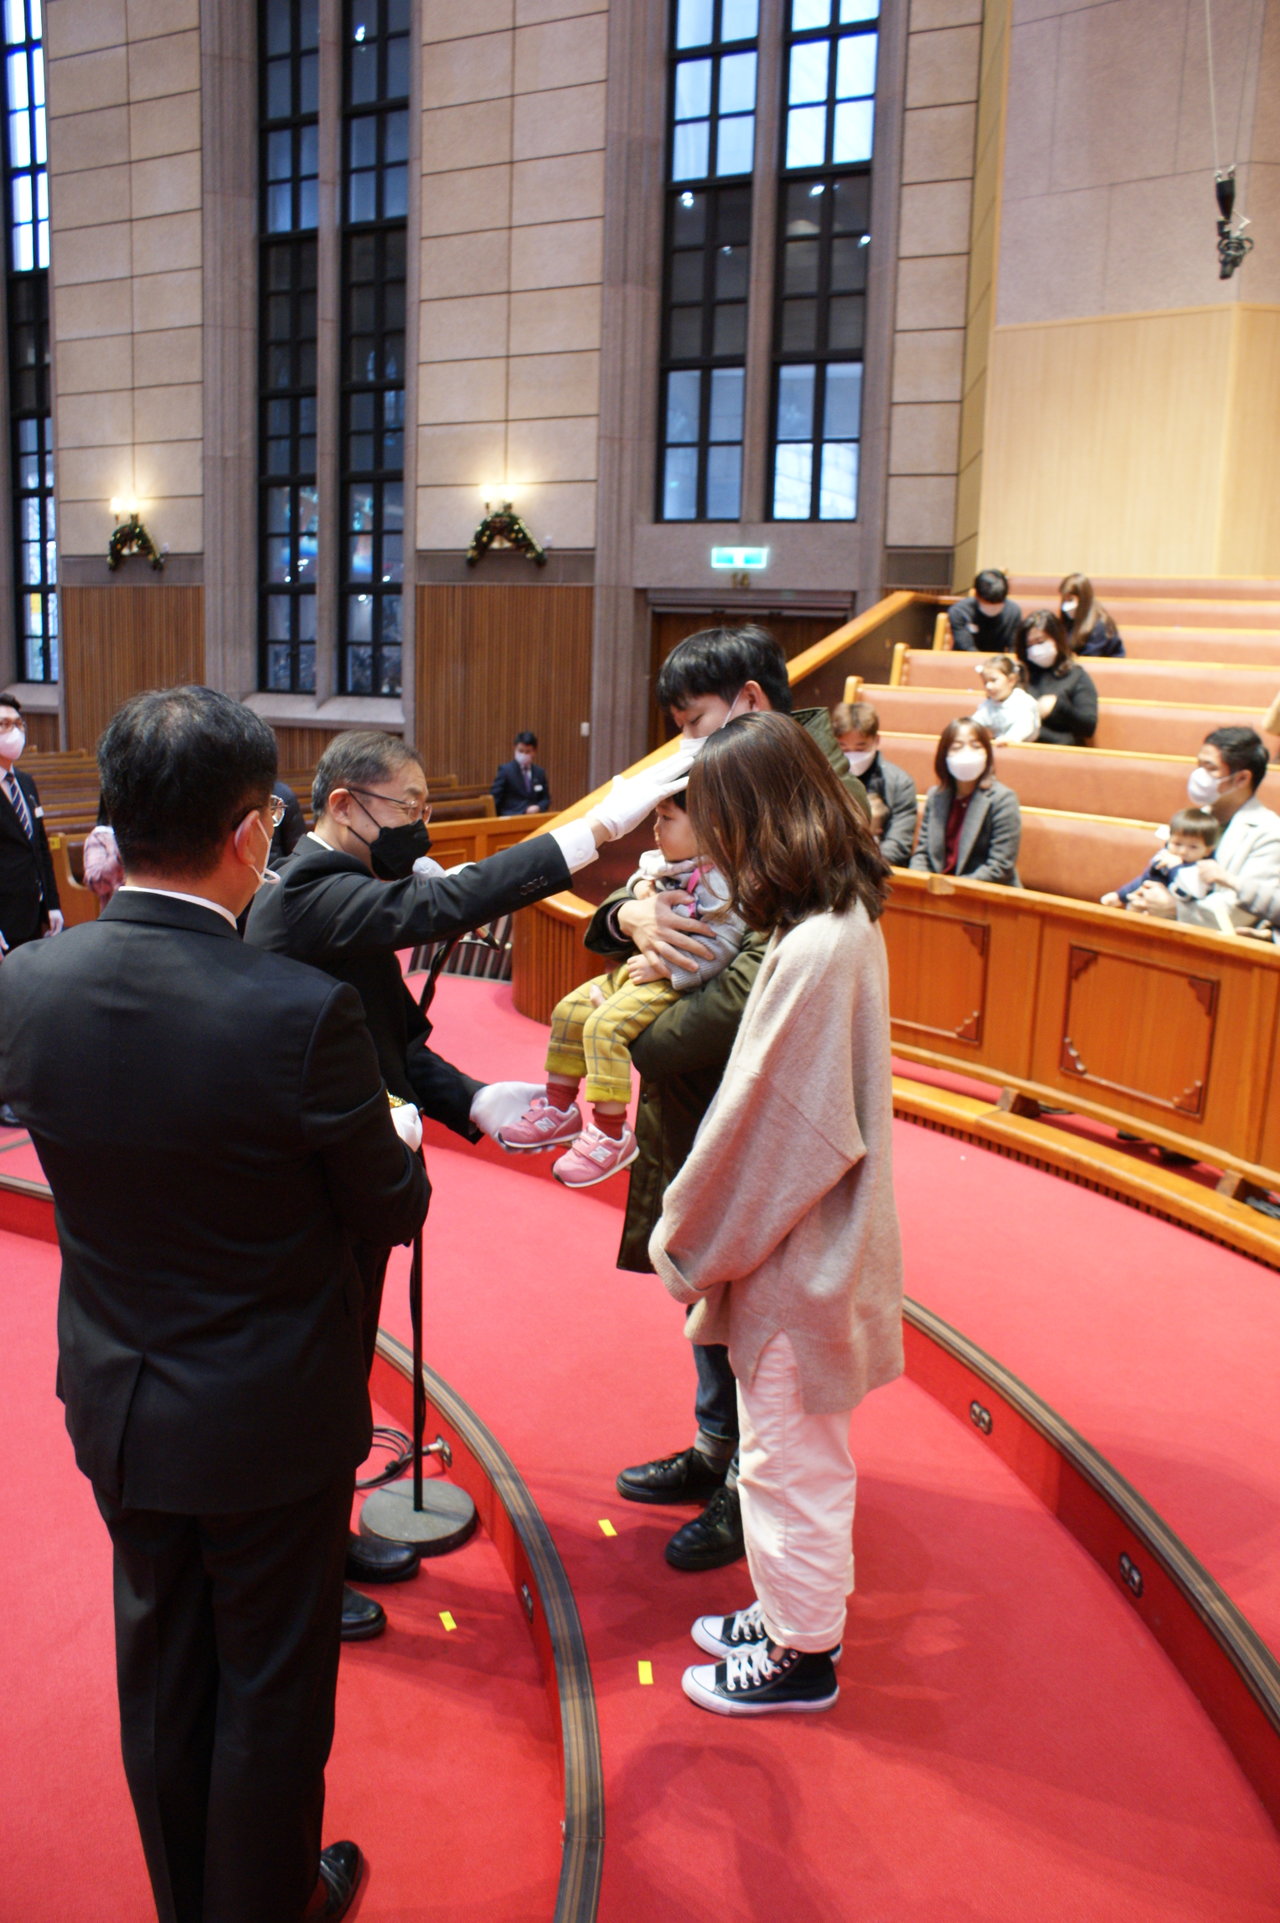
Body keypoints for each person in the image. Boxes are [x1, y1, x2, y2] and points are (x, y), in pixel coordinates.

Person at [0, 686, 431, 1923]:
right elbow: (390, 1208)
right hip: (266, 1418)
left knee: (165, 1676)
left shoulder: (28, 982)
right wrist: (401, 1136)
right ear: (250, 833)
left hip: (118, 1395)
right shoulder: (298, 1012)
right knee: (270, 1691)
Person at [246, 726, 689, 1632]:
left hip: (359, 1170)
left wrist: (478, 1101)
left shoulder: (345, 886)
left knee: (342, 1370)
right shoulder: (308, 892)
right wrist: (594, 830)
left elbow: (393, 1040)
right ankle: (298, 1580)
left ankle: (325, 1540)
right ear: (343, 804)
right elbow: (451, 903)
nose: (419, 825)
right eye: (406, 808)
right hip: (307, 1185)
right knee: (310, 1386)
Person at [644, 711, 903, 1715]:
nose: (708, 840)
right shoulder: (827, 922)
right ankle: (789, 1609)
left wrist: (685, 1240)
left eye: (715, 818)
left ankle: (803, 1655)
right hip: (805, 1243)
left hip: (802, 1252)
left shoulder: (817, 946)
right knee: (783, 1454)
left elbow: (779, 1130)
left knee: (790, 1464)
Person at [593, 624, 866, 1574]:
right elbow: (657, 888)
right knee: (714, 1290)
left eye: (694, 721)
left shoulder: (811, 793)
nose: (684, 747)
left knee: (754, 1309)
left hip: (755, 1093)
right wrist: (631, 912)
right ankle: (717, 1450)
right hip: (703, 1087)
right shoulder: (732, 772)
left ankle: (748, 1482)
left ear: (749, 701)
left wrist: (633, 1040)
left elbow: (757, 973)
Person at [498, 792, 745, 1187]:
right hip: (636, 969)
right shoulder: (669, 860)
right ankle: (560, 1108)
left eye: (667, 819)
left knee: (604, 1027)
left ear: (710, 828)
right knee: (569, 1010)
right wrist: (642, 893)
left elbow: (721, 948)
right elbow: (640, 878)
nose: (656, 828)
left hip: (668, 978)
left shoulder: (721, 883)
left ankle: (611, 1134)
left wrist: (663, 965)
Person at [1131, 727, 1280, 931]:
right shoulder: (1196, 818)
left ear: (1242, 778)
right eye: (1199, 765)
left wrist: (1176, 909)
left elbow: (1240, 914)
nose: (1199, 775)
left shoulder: (1269, 832)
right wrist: (1145, 896)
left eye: (1210, 768)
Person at [0, 691, 62, 1126]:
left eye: (18, 725)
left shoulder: (24, 782)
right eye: (4, 725)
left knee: (24, 1006)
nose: (14, 732)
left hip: (31, 913)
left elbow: (40, 847)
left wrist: (53, 904)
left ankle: (25, 1087)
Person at [909, 718, 1021, 884]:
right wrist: (921, 882)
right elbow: (923, 853)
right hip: (936, 887)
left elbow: (1000, 866)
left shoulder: (1003, 799)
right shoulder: (935, 796)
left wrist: (953, 888)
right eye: (956, 747)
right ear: (944, 755)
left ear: (987, 754)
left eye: (976, 746)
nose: (966, 753)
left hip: (982, 891)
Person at [831, 699, 918, 863]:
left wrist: (868, 866)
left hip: (879, 867)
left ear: (876, 740)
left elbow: (898, 843)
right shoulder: (824, 777)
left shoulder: (900, 782)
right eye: (844, 748)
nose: (852, 755)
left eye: (860, 748)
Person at [1101, 807, 1220, 910]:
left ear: (1207, 851)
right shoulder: (1165, 858)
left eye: (1193, 847)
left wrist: (1176, 867)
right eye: (1177, 844)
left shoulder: (1204, 869)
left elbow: (1189, 893)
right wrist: (1120, 896)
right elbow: (1146, 879)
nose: (1183, 851)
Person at [1016, 609, 1098, 746]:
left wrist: (1059, 706)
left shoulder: (1076, 675)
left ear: (1057, 639)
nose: (1035, 650)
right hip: (1022, 747)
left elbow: (1088, 727)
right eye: (1029, 645)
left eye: (1040, 641)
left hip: (1062, 750)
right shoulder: (1019, 674)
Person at [946, 567, 1022, 652]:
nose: (993, 608)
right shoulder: (959, 611)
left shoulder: (1013, 611)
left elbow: (1013, 647)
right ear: (976, 595)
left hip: (998, 659)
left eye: (997, 604)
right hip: (966, 658)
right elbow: (966, 648)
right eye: (987, 603)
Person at [972, 653, 1041, 744]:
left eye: (993, 680)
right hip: (999, 745)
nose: (988, 686)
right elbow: (975, 722)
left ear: (1011, 680)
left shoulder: (1023, 701)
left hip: (1025, 747)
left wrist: (1009, 738)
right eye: (985, 682)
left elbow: (1025, 726)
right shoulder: (989, 704)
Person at [1059, 572, 1125, 657]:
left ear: (1083, 599)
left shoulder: (1101, 625)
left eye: (1070, 600)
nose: (1066, 605)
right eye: (1064, 600)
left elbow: (1091, 657)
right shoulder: (1068, 620)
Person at [491, 730, 551, 815]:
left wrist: (539, 807)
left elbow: (545, 799)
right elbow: (495, 799)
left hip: (534, 817)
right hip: (512, 816)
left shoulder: (539, 772)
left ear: (534, 752)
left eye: (527, 752)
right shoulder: (506, 771)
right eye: (520, 751)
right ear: (515, 749)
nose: (523, 755)